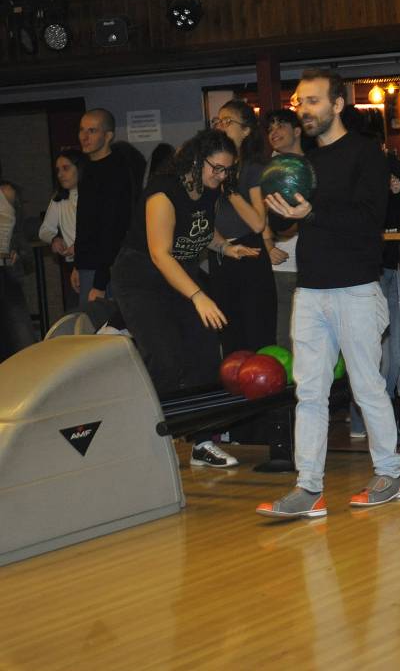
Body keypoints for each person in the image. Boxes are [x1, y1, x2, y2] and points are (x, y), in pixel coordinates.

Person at [258, 68, 400, 518]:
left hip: (357, 288)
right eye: (299, 102)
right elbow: (287, 223)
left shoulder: (366, 154)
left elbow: (367, 219)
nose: (303, 110)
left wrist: (310, 212)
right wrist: (279, 208)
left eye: (313, 101)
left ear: (338, 104)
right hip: (310, 290)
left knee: (367, 386)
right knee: (309, 392)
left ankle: (390, 474)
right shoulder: (305, 162)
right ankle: (308, 487)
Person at [111, 129, 258, 467]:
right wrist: (198, 296)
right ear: (195, 161)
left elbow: (200, 229)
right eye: (216, 168)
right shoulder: (163, 193)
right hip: (142, 279)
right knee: (164, 358)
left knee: (204, 354)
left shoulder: (209, 189)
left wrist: (225, 247)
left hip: (180, 275)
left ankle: (202, 443)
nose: (221, 176)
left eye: (227, 170)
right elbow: (160, 254)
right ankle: (140, 442)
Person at [351, 137, 400, 438]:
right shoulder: (368, 173)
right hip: (373, 266)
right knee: (383, 343)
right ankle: (380, 414)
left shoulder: (381, 171)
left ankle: (391, 410)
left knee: (393, 340)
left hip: (380, 263)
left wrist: (396, 191)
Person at [210, 99, 276, 354]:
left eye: (228, 121)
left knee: (257, 332)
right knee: (229, 333)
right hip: (219, 252)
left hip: (249, 252)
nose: (220, 126)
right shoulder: (212, 168)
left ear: (246, 131)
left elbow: (258, 223)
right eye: (217, 121)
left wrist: (230, 189)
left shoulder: (253, 168)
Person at [73, 108, 134, 308]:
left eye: (92, 131)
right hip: (88, 265)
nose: (84, 136)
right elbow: (85, 222)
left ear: (108, 136)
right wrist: (78, 265)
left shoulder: (116, 171)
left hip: (105, 269)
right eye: (82, 130)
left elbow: (113, 228)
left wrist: (100, 282)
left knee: (100, 325)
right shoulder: (87, 168)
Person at [263, 108, 305, 350]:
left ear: (297, 131)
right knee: (283, 339)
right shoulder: (269, 169)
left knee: (311, 336)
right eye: (270, 128)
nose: (274, 132)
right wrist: (268, 245)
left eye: (280, 126)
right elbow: (260, 211)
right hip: (280, 266)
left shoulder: (313, 165)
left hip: (312, 264)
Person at [39, 149, 89, 311]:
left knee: (92, 311)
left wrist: (80, 246)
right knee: (78, 312)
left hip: (93, 260)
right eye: (58, 170)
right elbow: (44, 230)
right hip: (72, 262)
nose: (60, 174)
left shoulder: (93, 195)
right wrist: (54, 239)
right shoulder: (59, 199)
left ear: (80, 168)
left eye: (66, 168)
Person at [1, 179, 35, 361]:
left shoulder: (7, 192)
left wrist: (18, 253)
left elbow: (22, 236)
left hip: (7, 276)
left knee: (23, 343)